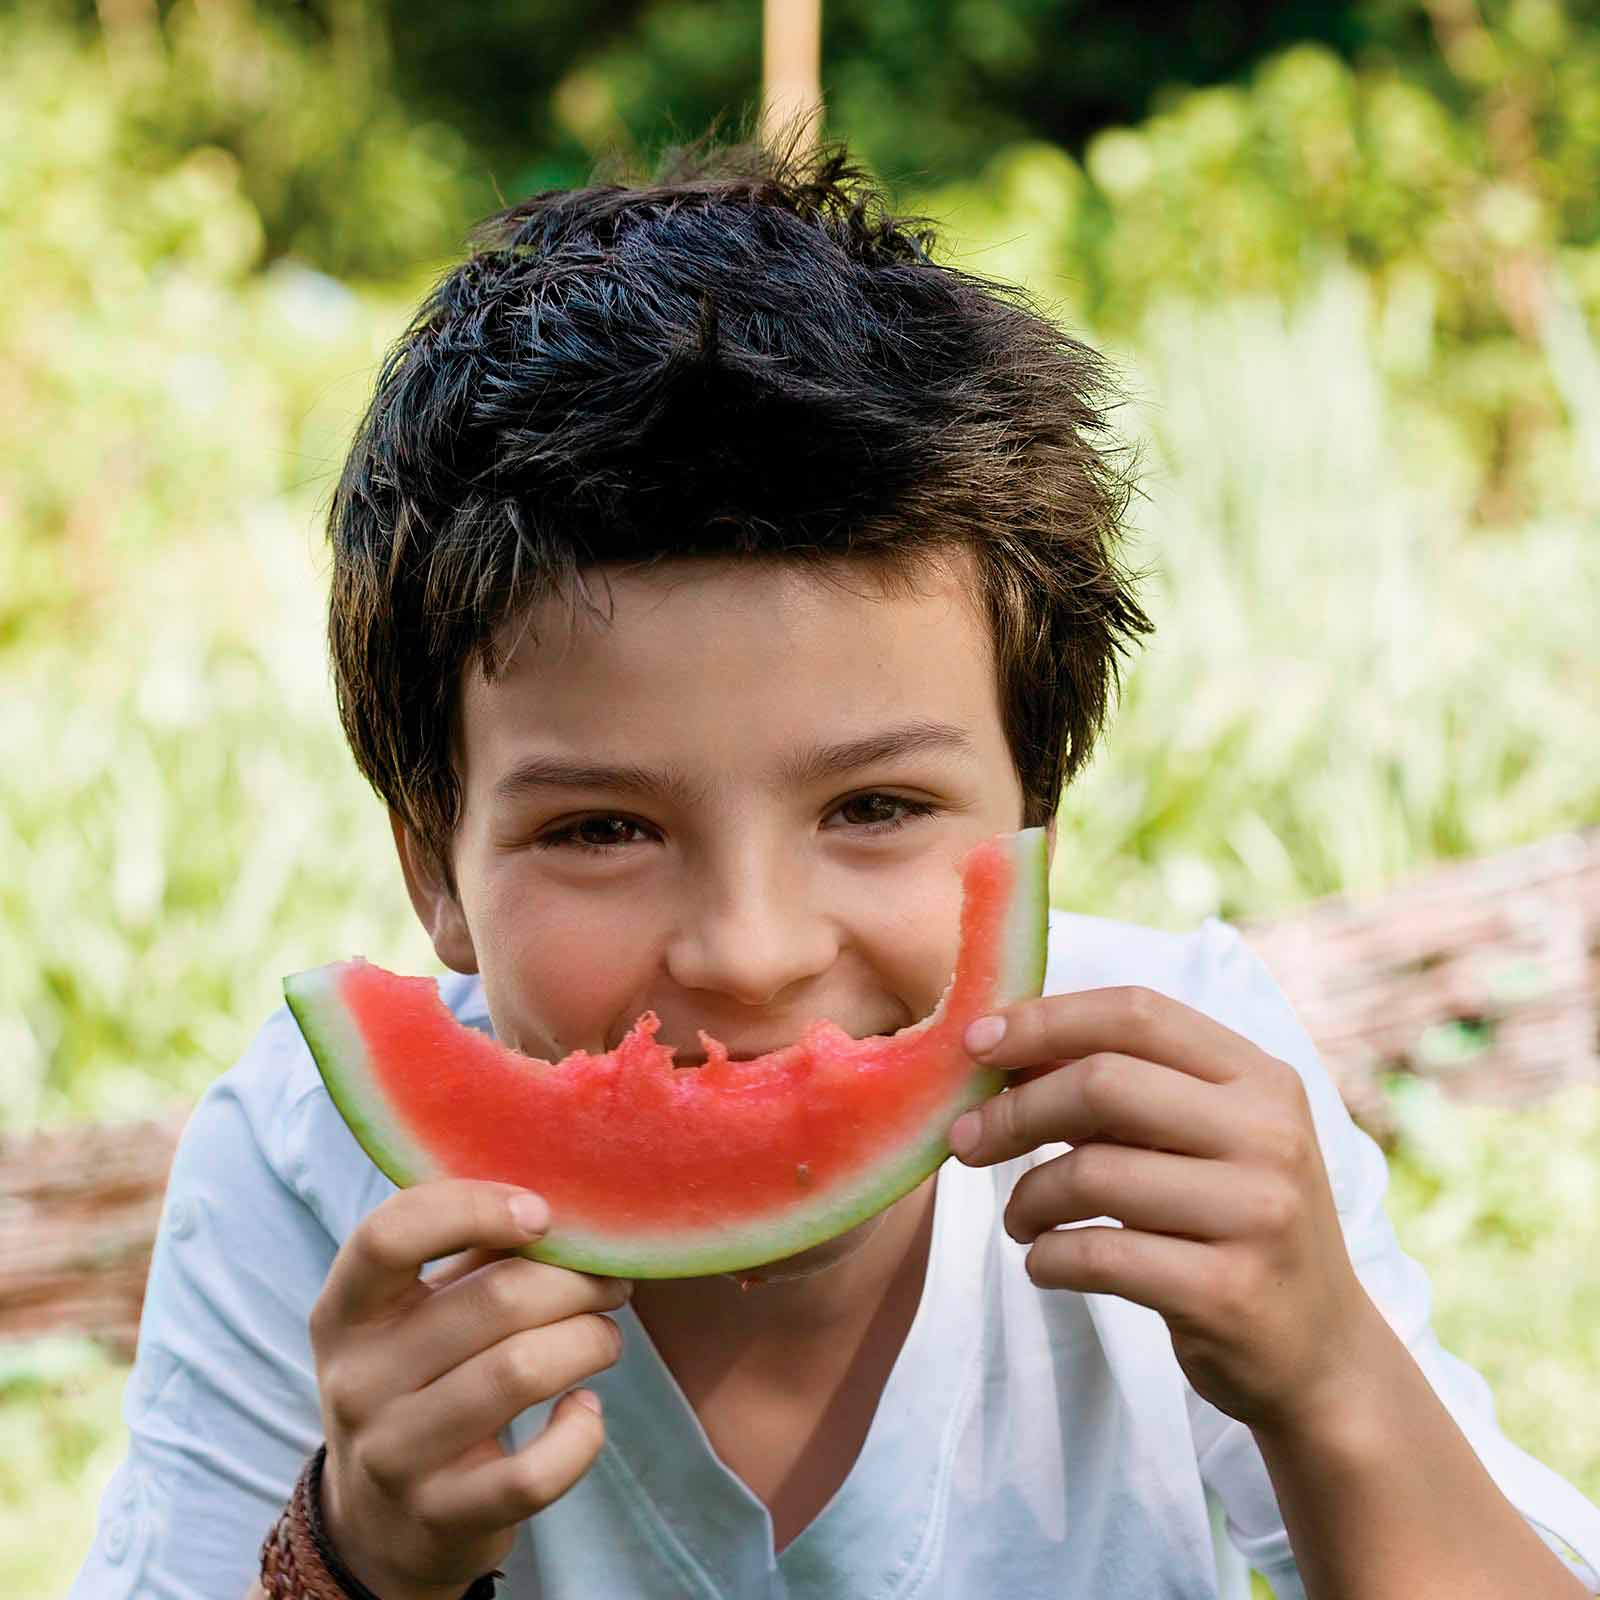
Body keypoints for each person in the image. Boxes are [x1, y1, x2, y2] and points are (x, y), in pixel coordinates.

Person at [72, 135, 1600, 1600]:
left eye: (873, 807)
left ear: (1031, 822)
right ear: (438, 874)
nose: (750, 949)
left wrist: (1331, 1379)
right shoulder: (309, 1169)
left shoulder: (1187, 1109)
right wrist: (351, 1562)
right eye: (602, 829)